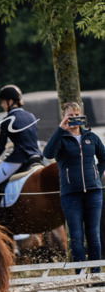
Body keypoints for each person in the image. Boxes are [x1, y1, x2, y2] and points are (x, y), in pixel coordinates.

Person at [43, 101, 105, 272]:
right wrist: (59, 130)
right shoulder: (61, 140)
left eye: (77, 114)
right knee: (77, 237)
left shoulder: (91, 137)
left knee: (93, 236)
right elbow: (47, 154)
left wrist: (96, 175)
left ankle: (96, 277)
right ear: (64, 117)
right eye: (70, 115)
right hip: (71, 195)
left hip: (93, 193)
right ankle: (79, 277)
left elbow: (103, 157)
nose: (75, 118)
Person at [0, 85, 41, 192]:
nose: (1, 105)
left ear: (10, 101)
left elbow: (0, 147)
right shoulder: (31, 116)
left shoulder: (7, 120)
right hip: (37, 156)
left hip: (19, 159)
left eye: (2, 102)